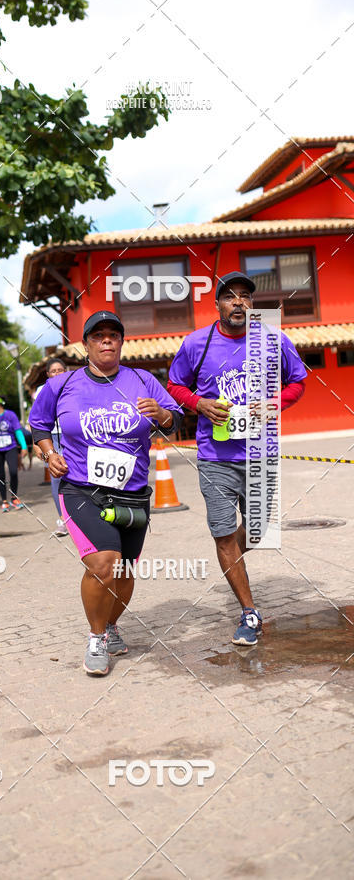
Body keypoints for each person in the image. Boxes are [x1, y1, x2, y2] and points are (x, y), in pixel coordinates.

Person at [30, 311, 183, 676]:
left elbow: (175, 419)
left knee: (126, 569)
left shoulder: (143, 380)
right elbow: (38, 425)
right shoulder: (61, 385)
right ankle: (96, 638)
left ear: (121, 341)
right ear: (86, 344)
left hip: (132, 493)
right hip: (81, 488)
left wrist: (161, 413)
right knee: (104, 563)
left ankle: (112, 625)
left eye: (113, 334)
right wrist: (50, 455)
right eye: (98, 335)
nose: (106, 340)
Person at [167, 271, 307, 646]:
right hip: (216, 455)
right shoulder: (197, 343)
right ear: (218, 304)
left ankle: (229, 555)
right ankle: (249, 611)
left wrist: (274, 405)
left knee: (259, 532)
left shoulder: (272, 339)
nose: (239, 302)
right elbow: (174, 385)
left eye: (246, 296)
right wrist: (199, 404)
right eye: (230, 296)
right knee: (225, 533)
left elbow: (298, 381)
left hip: (261, 452)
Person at [31, 357, 68, 536]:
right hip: (50, 439)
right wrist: (36, 444)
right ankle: (62, 519)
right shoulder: (41, 391)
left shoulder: (72, 385)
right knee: (56, 478)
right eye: (53, 371)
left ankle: (79, 517)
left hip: (71, 436)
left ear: (65, 371)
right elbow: (35, 419)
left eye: (60, 370)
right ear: (47, 374)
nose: (57, 374)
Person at [0, 395, 28, 513]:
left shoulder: (10, 415)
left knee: (13, 471)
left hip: (11, 448)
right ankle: (4, 501)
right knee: (0, 475)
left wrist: (24, 446)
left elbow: (18, 431)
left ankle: (14, 498)